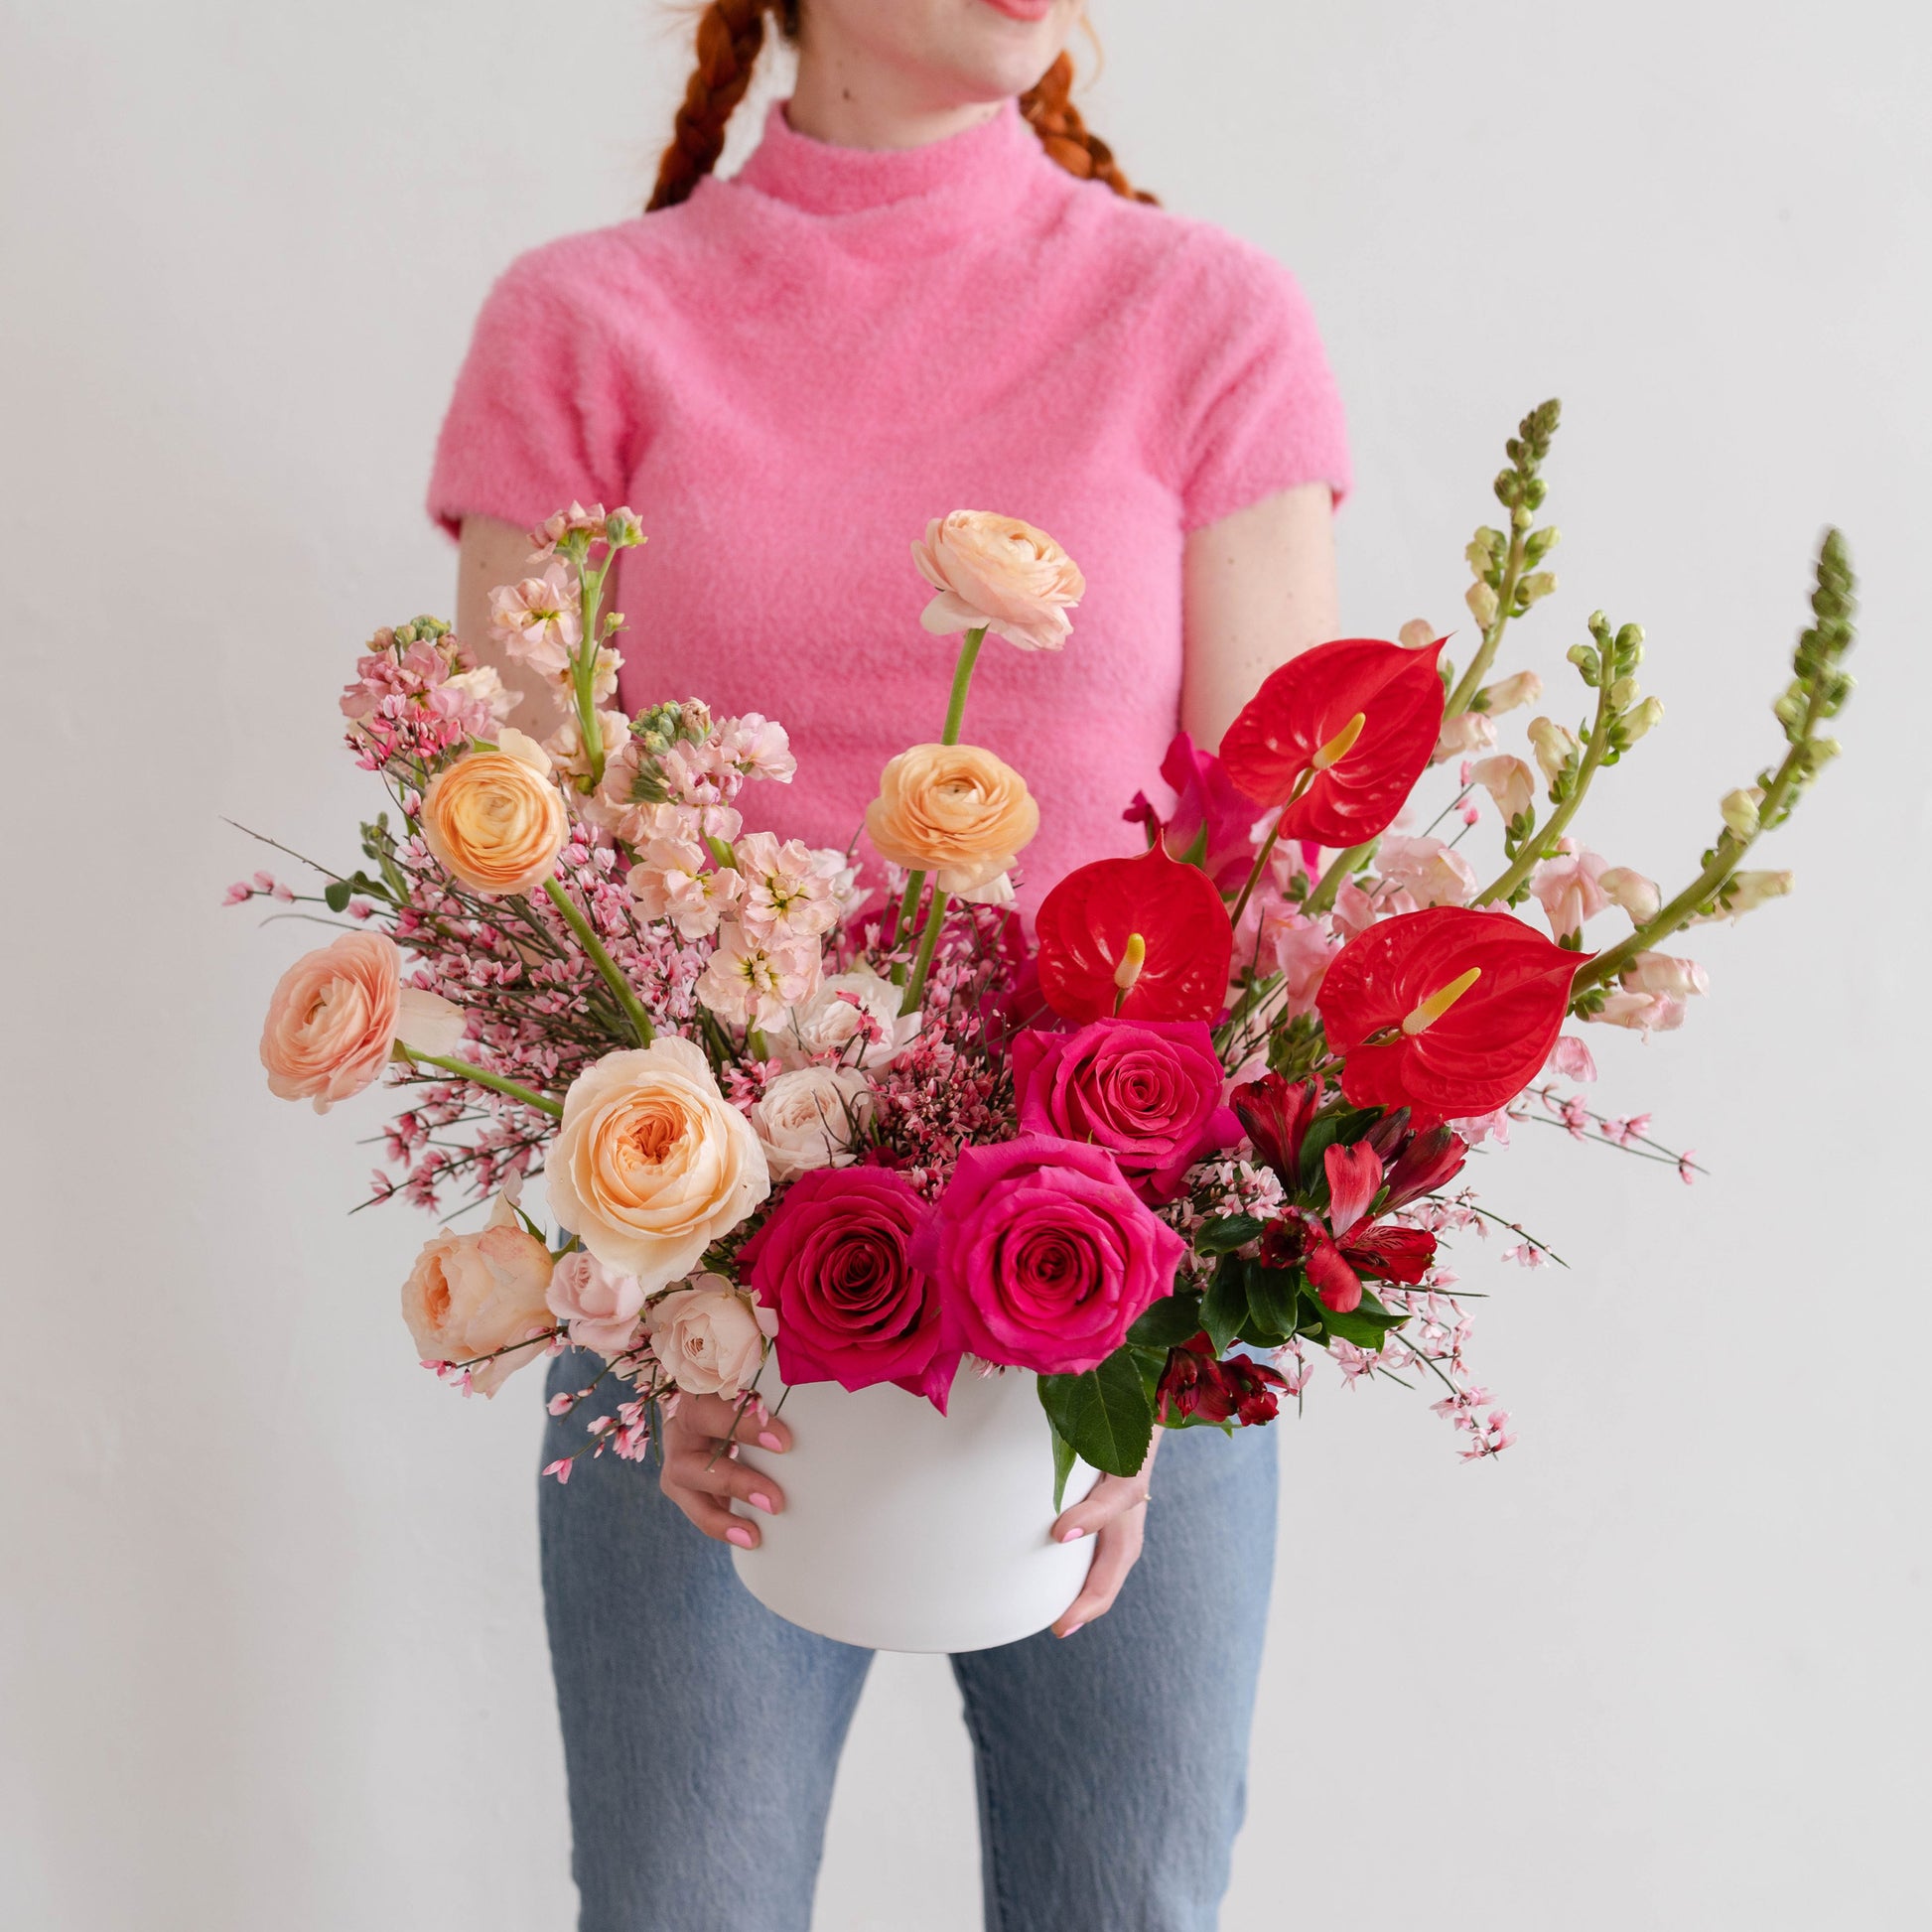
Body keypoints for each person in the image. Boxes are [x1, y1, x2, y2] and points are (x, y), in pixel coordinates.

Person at [428, 4, 1348, 1927]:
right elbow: (526, 884)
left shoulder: (1203, 319)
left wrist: (1157, 1359)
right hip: (693, 1283)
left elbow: (1275, 891)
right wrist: (665, 1318)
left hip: (1133, 1279)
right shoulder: (584, 327)